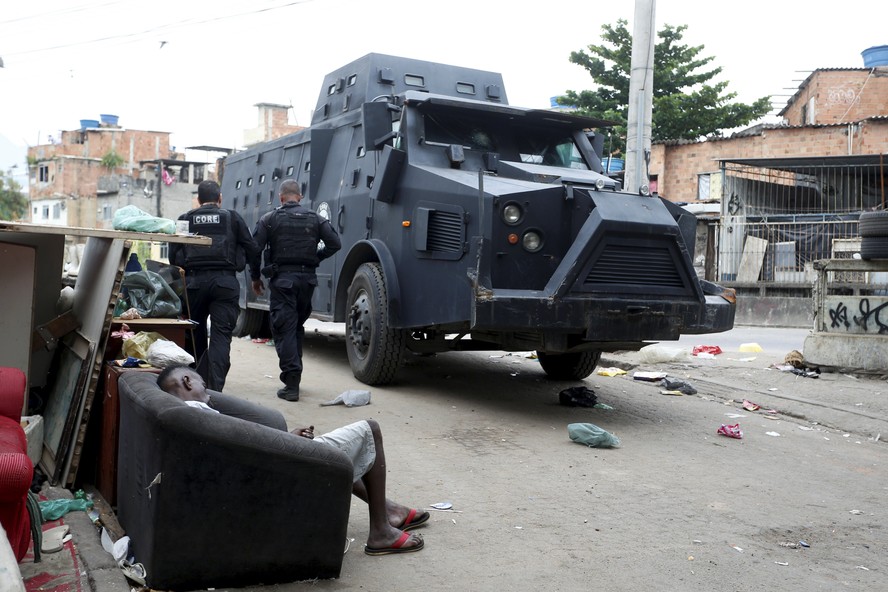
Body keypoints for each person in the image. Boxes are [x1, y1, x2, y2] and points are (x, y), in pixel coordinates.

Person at [156, 364, 426, 555]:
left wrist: (285, 438)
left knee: (337, 454)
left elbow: (243, 446)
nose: (208, 389)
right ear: (188, 382)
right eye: (202, 381)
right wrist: (287, 442)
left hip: (261, 476)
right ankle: (381, 531)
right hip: (277, 482)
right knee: (371, 429)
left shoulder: (183, 416)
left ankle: (389, 509)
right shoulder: (200, 415)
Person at [251, 179, 341, 401]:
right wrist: (315, 259)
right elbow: (335, 243)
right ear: (300, 197)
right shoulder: (315, 219)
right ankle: (295, 376)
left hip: (283, 282)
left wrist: (255, 277)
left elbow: (254, 250)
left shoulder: (269, 219)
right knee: (295, 328)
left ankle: (291, 385)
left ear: (281, 198)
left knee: (284, 329)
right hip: (307, 282)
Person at [169, 180, 260, 391]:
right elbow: (253, 248)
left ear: (198, 200)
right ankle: (215, 390)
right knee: (221, 338)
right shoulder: (232, 218)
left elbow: (174, 255)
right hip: (225, 284)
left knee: (194, 334)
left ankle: (196, 386)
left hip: (193, 285)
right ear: (220, 198)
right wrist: (252, 272)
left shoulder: (185, 219)